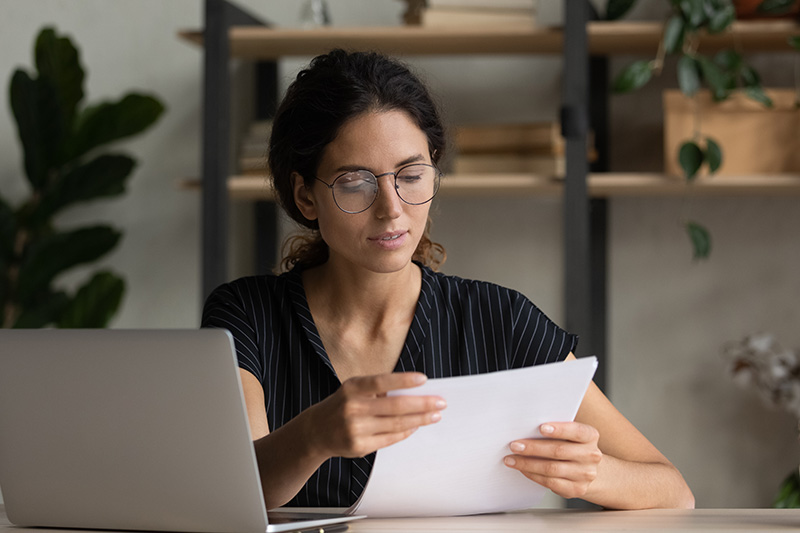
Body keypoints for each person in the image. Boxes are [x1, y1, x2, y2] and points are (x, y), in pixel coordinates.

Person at [202, 49, 694, 511]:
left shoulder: (498, 318)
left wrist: (592, 474)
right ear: (305, 196)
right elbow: (234, 496)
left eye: (411, 175)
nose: (392, 210)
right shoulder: (245, 315)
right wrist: (313, 436)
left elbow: (673, 491)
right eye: (355, 182)